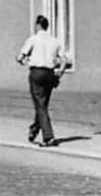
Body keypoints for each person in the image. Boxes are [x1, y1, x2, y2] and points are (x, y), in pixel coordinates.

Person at [15, 14, 67, 148]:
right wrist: (59, 72)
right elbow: (64, 61)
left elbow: (21, 56)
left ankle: (48, 137)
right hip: (50, 74)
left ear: (38, 25)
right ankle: (34, 129)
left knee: (40, 105)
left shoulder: (33, 39)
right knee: (43, 104)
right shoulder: (55, 41)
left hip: (36, 73)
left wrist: (22, 61)